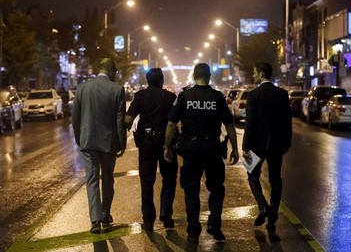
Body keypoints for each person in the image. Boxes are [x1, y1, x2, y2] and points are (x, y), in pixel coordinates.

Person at [164, 63, 239, 244]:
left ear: (194, 76)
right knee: (217, 188)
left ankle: (193, 231)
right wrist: (235, 148)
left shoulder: (184, 96)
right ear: (209, 76)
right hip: (212, 148)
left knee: (191, 191)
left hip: (191, 149)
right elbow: (229, 124)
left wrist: (167, 146)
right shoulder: (217, 97)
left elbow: (171, 124)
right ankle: (214, 225)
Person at [72, 58, 126, 234]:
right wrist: (122, 143)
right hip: (109, 143)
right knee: (108, 179)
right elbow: (119, 121)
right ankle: (105, 214)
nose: (115, 74)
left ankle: (95, 220)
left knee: (92, 180)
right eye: (115, 71)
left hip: (88, 141)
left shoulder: (82, 88)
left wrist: (80, 139)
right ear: (110, 70)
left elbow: (75, 119)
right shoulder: (117, 90)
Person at [125, 68, 178, 232]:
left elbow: (128, 120)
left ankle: (148, 220)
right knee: (169, 177)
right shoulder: (170, 97)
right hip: (166, 142)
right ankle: (166, 212)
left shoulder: (140, 96)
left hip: (146, 142)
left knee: (147, 181)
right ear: (162, 80)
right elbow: (176, 121)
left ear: (148, 81)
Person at [242, 62, 292, 233]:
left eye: (254, 72)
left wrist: (245, 147)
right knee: (275, 180)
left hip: (255, 144)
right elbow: (287, 121)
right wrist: (287, 143)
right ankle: (273, 215)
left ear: (262, 74)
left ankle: (262, 206)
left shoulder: (253, 95)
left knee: (251, 175)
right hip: (277, 144)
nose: (253, 75)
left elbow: (249, 123)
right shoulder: (282, 94)